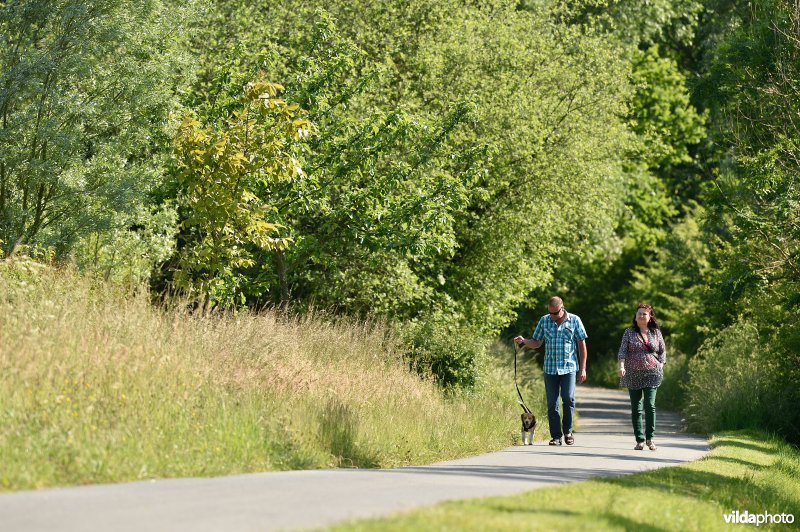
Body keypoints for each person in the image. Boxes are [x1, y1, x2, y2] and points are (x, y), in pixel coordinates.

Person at [514, 296, 587, 446]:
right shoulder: (544, 320)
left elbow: (582, 345)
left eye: (555, 313)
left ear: (562, 308)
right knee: (552, 403)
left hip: (569, 367)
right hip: (550, 368)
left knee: (568, 398)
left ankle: (568, 432)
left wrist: (583, 368)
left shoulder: (575, 320)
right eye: (550, 313)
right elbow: (537, 342)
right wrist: (524, 341)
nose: (552, 316)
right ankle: (556, 436)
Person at [617, 303, 667, 451]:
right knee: (636, 408)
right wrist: (621, 366)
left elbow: (662, 351)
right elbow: (622, 352)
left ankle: (650, 439)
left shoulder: (656, 332)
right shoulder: (629, 332)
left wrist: (660, 365)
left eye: (644, 314)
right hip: (633, 373)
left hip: (652, 373)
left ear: (650, 316)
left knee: (649, 406)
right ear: (635, 316)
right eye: (639, 313)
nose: (641, 316)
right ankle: (639, 440)